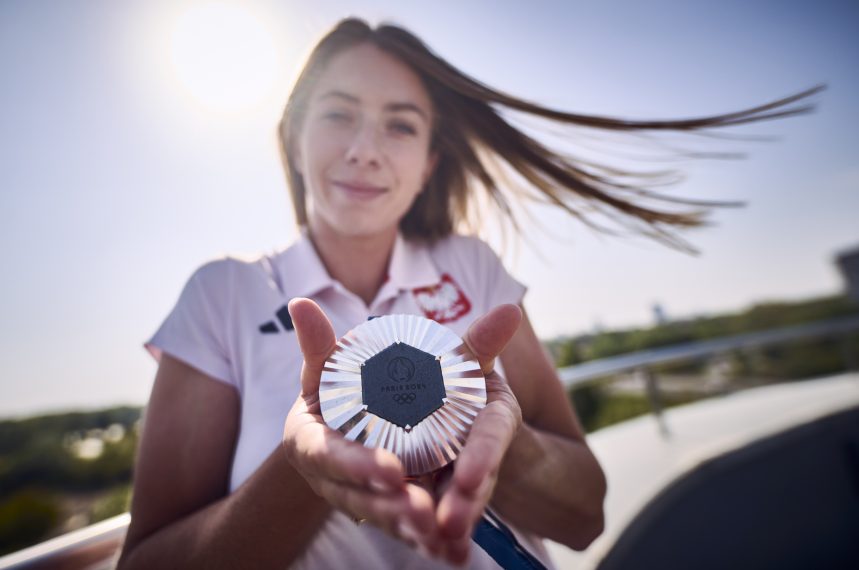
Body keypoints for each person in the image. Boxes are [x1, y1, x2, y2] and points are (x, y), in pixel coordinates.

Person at [117, 17, 821, 569]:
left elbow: (585, 519)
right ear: (293, 132)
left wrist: (500, 446)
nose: (366, 146)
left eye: (401, 124)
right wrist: (307, 470)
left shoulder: (474, 270)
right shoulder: (224, 294)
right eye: (337, 114)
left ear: (428, 164)